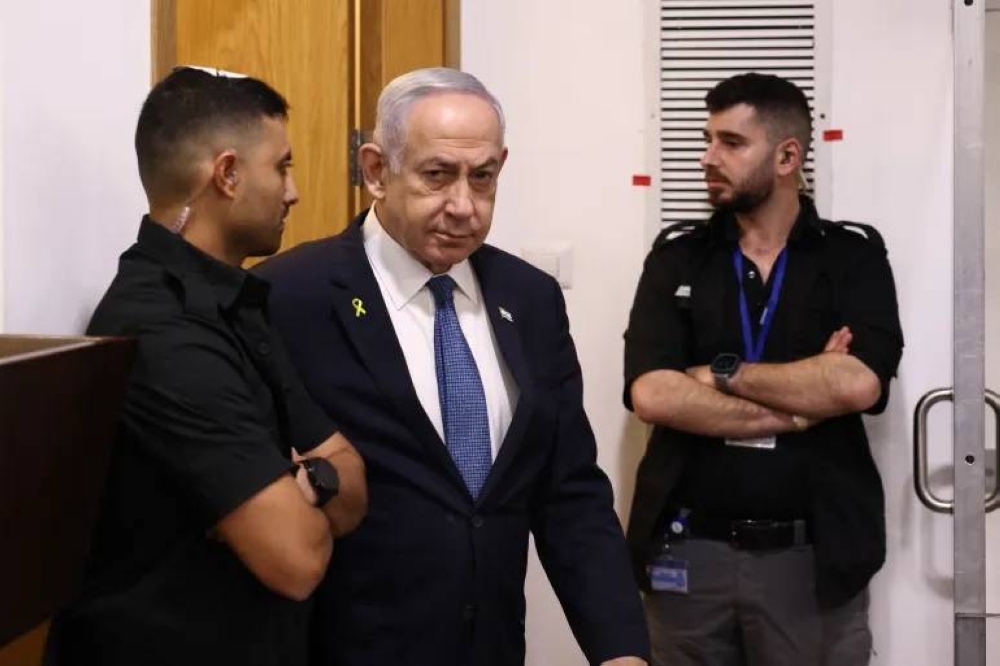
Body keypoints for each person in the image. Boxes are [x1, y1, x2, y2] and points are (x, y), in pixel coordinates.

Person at [256, 67, 649, 666]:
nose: (464, 206)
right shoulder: (291, 296)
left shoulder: (531, 299)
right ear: (376, 170)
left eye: (483, 177)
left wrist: (621, 651)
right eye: (437, 175)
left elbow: (569, 492)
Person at [45, 67, 367, 666]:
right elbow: (297, 559)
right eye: (282, 167)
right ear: (227, 173)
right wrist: (303, 482)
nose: (293, 191)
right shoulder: (160, 328)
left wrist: (308, 481)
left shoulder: (235, 302)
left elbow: (352, 482)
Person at [623, 72, 904, 666]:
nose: (708, 158)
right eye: (707, 140)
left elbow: (856, 383)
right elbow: (652, 394)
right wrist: (801, 407)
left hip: (813, 557)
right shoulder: (677, 257)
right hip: (688, 553)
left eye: (730, 142)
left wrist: (718, 373)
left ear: (786, 157)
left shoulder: (852, 258)